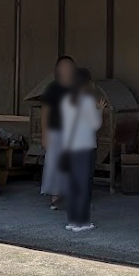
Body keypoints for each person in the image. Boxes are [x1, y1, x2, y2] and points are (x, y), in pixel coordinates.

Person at [59, 67, 101, 232]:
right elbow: (94, 124)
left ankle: (72, 220)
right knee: (84, 184)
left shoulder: (66, 100)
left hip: (69, 145)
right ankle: (83, 221)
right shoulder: (87, 101)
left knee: (73, 184)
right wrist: (100, 111)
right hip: (86, 145)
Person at [39, 55, 78, 209]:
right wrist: (45, 134)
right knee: (54, 164)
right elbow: (45, 112)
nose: (66, 70)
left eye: (69, 67)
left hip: (74, 133)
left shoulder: (78, 87)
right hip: (56, 131)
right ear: (58, 70)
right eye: (63, 67)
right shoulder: (52, 88)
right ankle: (55, 196)